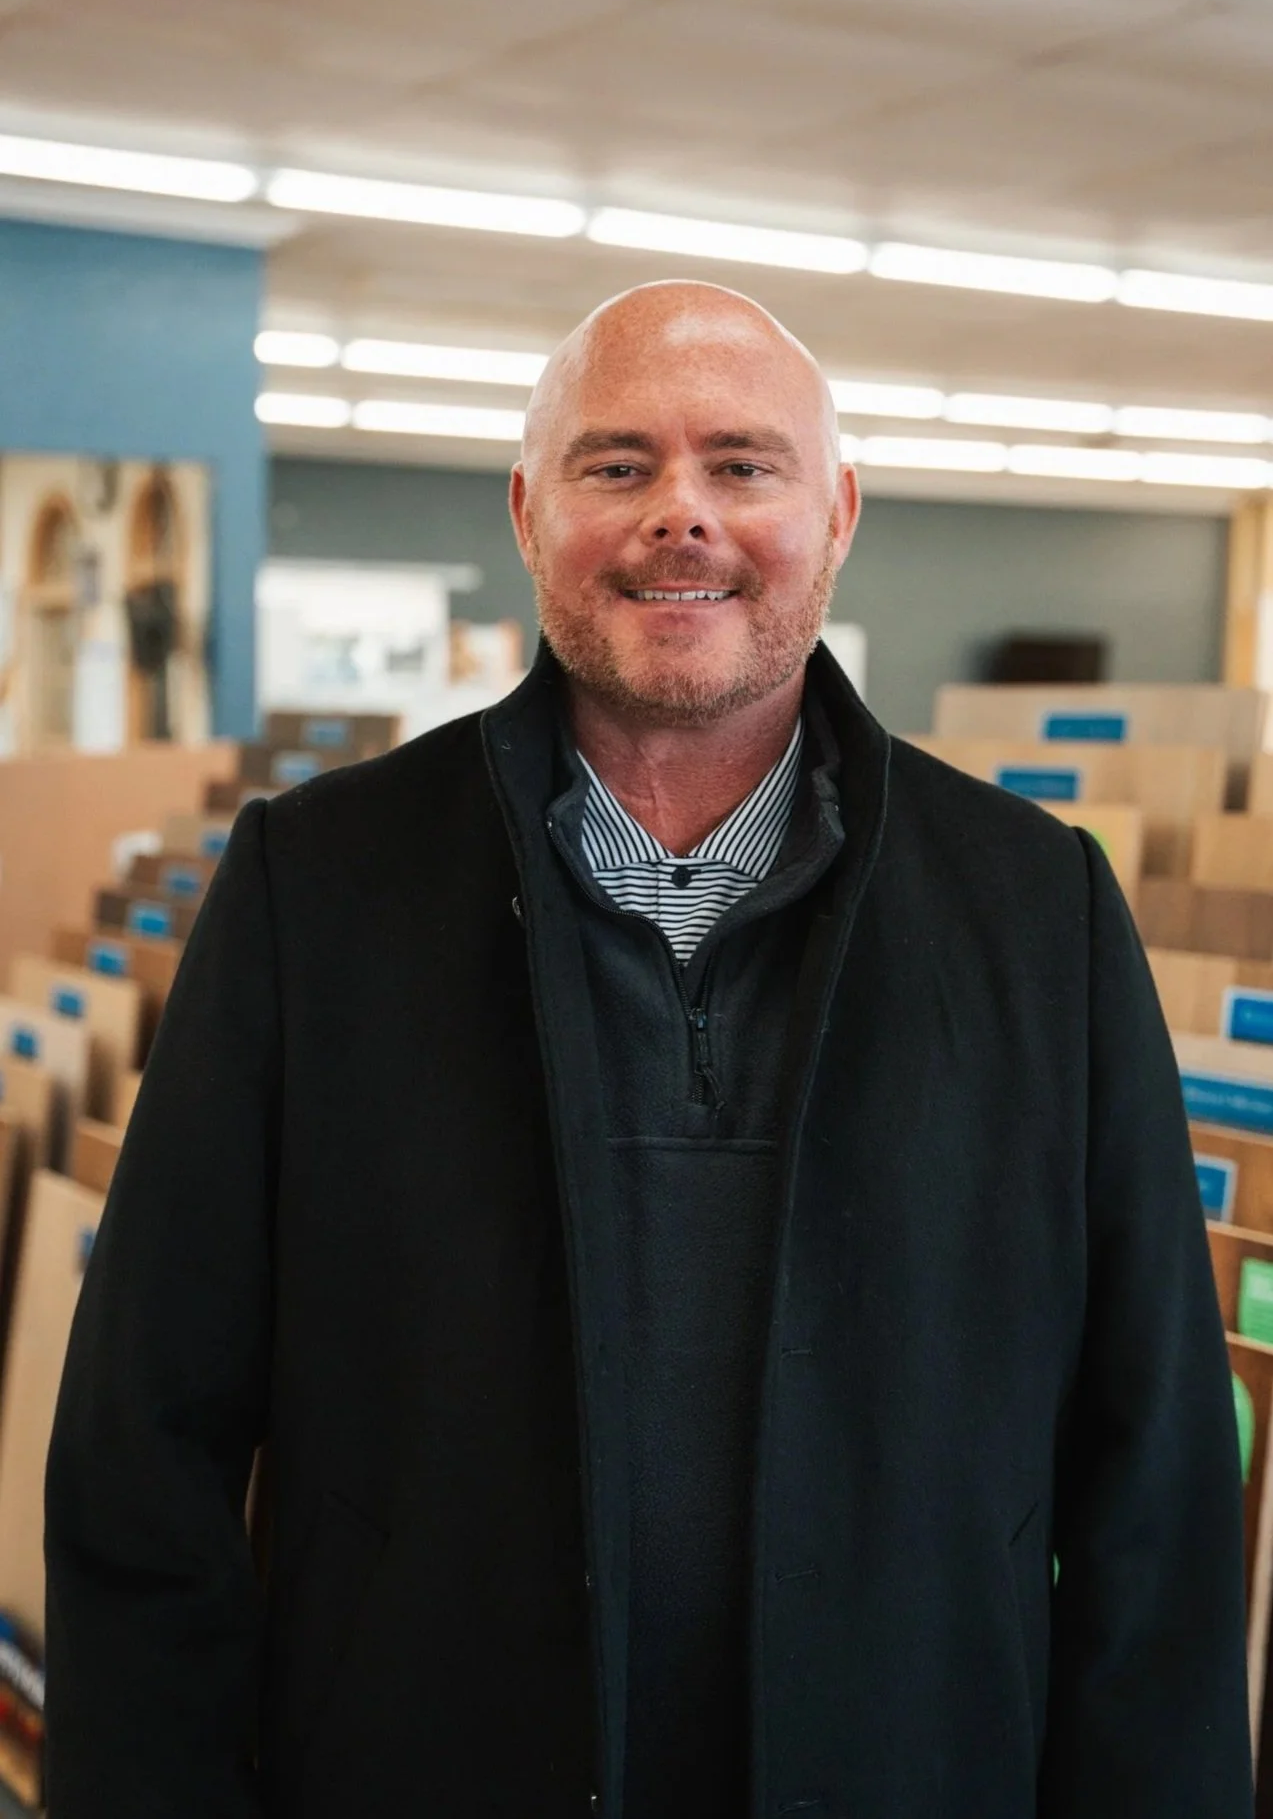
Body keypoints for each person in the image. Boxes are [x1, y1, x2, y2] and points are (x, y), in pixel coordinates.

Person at [44, 281, 1251, 1819]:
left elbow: (1153, 1480)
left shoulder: (1038, 913)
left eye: (744, 464)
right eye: (618, 464)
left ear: (840, 512)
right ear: (530, 511)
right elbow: (145, 1447)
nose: (682, 514)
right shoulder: (316, 890)